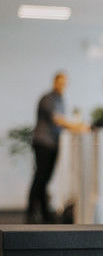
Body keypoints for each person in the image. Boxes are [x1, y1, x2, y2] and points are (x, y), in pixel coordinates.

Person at [26, 72, 88, 223]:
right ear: (54, 82)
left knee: (44, 178)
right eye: (60, 82)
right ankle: (31, 212)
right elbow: (57, 120)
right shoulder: (48, 98)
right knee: (40, 177)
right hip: (43, 143)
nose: (62, 85)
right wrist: (77, 126)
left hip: (52, 144)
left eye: (64, 83)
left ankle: (44, 213)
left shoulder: (61, 99)